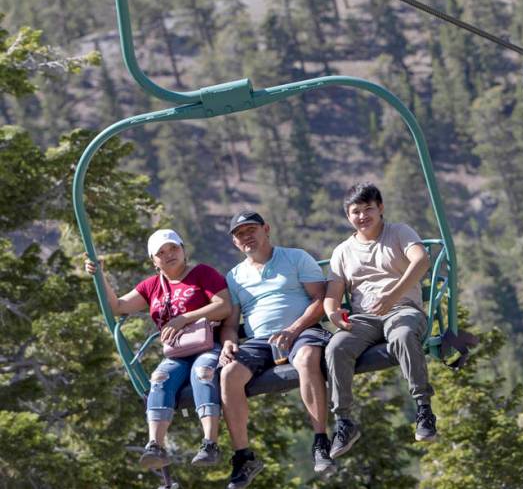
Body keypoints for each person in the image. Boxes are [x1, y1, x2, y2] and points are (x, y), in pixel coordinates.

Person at [84, 229, 230, 470]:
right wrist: (99, 275)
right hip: (176, 352)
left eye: (173, 248)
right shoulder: (152, 286)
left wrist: (184, 318)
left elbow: (223, 305)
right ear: (153, 261)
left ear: (183, 249)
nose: (169, 254)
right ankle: (155, 444)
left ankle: (210, 443)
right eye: (161, 252)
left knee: (203, 372)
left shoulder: (202, 274)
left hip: (206, 344)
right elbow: (118, 307)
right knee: (159, 378)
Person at [218, 210, 332, 489]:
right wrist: (229, 341)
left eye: (251, 230)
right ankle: (244, 456)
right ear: (235, 243)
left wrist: (294, 329)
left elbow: (321, 299)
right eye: (239, 234)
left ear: (266, 229)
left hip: (302, 330)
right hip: (260, 342)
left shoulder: (295, 257)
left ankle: (320, 441)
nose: (246, 237)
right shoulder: (234, 276)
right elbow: (231, 324)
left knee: (306, 359)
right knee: (228, 374)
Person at [323, 182, 437, 459]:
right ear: (348, 216)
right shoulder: (343, 251)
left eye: (368, 209)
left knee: (401, 336)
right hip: (365, 318)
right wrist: (332, 313)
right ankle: (344, 422)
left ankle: (423, 408)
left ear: (380, 208)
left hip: (402, 308)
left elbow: (421, 261)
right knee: (336, 347)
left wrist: (392, 294)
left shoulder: (398, 232)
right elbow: (333, 294)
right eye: (356, 212)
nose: (363, 216)